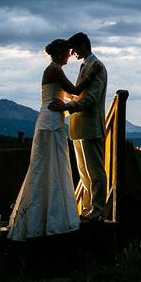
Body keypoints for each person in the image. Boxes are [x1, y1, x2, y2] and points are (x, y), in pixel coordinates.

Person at [7, 39, 91, 240]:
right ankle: (46, 219)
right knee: (50, 166)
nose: (70, 55)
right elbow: (75, 91)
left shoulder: (53, 70)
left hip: (51, 117)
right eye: (68, 52)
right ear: (61, 53)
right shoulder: (54, 70)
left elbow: (66, 95)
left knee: (51, 166)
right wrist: (92, 75)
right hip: (51, 121)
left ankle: (47, 217)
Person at [51, 32, 108, 221]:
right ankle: (88, 208)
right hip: (79, 127)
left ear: (83, 45)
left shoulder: (97, 67)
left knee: (95, 171)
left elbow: (91, 99)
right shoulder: (86, 65)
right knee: (84, 172)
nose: (72, 52)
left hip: (91, 127)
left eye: (74, 48)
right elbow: (80, 95)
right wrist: (61, 95)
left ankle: (98, 210)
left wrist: (67, 106)